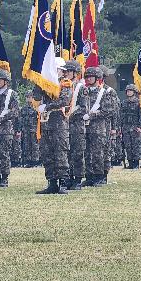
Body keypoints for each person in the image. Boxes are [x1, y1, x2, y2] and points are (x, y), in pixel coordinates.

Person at [33, 58, 71, 194]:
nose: (54, 72)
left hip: (58, 122)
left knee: (60, 152)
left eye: (57, 70)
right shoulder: (45, 84)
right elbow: (35, 97)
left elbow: (64, 101)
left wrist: (47, 106)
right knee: (47, 153)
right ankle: (52, 182)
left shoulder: (65, 84)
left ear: (62, 71)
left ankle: (62, 183)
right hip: (45, 123)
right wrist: (38, 82)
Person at [82, 67, 114, 187]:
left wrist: (92, 115)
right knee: (87, 152)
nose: (89, 78)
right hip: (86, 127)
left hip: (99, 128)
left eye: (91, 76)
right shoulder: (84, 91)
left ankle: (100, 176)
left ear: (97, 78)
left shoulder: (104, 92)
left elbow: (108, 111)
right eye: (87, 76)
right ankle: (89, 176)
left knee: (98, 153)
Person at [63, 60, 88, 189]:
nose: (66, 73)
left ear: (75, 73)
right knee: (67, 153)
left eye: (69, 71)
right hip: (64, 126)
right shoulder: (63, 86)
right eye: (65, 71)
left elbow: (84, 108)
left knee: (77, 153)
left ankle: (78, 179)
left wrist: (71, 113)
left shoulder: (80, 88)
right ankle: (68, 178)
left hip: (76, 126)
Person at [120, 84, 141, 169]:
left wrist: (139, 126)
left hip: (135, 127)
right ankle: (130, 163)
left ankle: (136, 164)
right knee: (128, 146)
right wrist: (120, 127)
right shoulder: (124, 102)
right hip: (126, 127)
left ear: (134, 92)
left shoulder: (138, 102)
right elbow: (121, 115)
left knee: (136, 145)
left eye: (130, 91)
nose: (128, 92)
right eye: (127, 91)